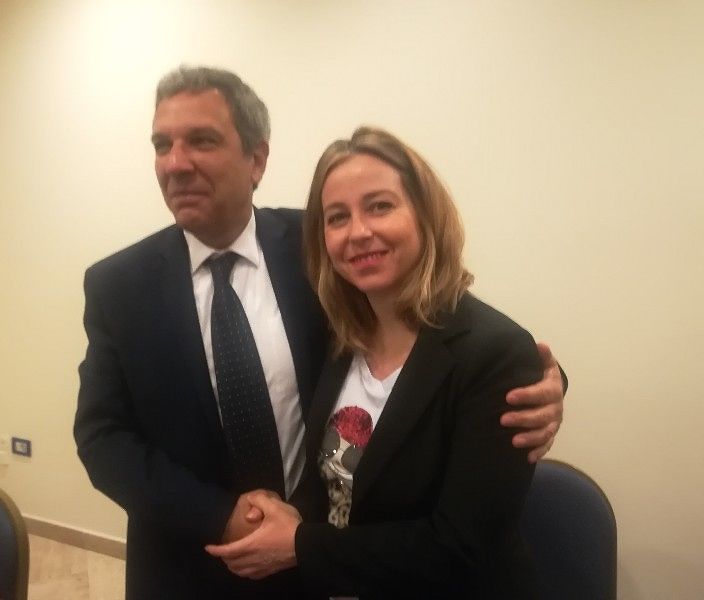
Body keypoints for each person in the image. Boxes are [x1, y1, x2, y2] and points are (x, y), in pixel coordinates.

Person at [74, 66, 565, 599]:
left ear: (256, 159)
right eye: (161, 145)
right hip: (190, 564)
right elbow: (102, 437)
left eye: (202, 141)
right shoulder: (118, 286)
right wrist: (220, 516)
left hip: (323, 567)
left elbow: (449, 335)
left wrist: (543, 383)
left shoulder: (319, 251)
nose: (175, 163)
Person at [206, 126, 557, 598]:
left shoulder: (496, 355)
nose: (358, 232)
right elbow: (339, 482)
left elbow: (459, 548)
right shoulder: (341, 339)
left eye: (380, 206)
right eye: (337, 217)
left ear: (425, 214)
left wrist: (299, 545)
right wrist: (281, 512)